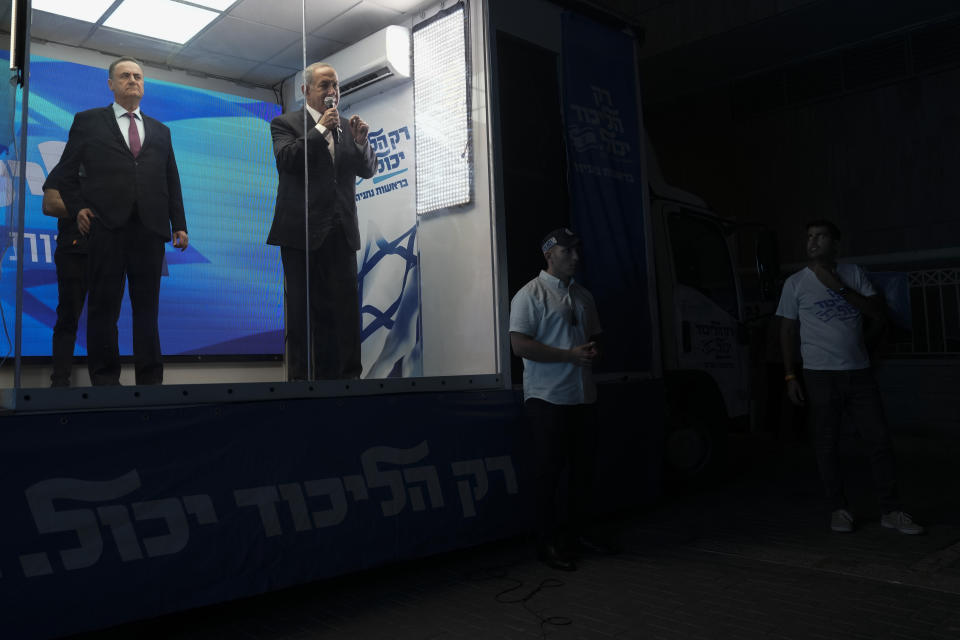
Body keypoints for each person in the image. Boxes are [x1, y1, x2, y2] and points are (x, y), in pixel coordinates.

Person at [777, 220, 923, 535]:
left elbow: (877, 314)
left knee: (879, 441)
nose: (812, 241)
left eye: (820, 236)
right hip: (819, 376)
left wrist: (837, 286)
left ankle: (891, 510)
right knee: (827, 444)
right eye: (809, 236)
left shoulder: (854, 273)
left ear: (835, 243)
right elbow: (787, 330)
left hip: (858, 374)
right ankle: (838, 509)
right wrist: (790, 375)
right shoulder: (795, 283)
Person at [56, 56, 189, 386]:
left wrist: (180, 224)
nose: (133, 80)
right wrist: (77, 208)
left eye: (138, 76)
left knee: (147, 312)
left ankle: (150, 381)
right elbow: (66, 173)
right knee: (104, 309)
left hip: (150, 230)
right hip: (105, 228)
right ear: (111, 84)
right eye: (125, 76)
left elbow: (171, 179)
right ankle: (104, 382)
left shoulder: (161, 130)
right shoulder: (88, 122)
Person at [268, 62, 377, 380]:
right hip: (299, 235)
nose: (332, 92)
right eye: (325, 85)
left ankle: (346, 381)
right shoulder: (284, 123)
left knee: (343, 312)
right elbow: (287, 160)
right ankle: (301, 384)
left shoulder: (346, 125)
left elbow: (367, 170)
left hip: (340, 233)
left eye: (336, 86)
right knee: (302, 314)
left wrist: (360, 143)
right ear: (305, 91)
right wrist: (319, 131)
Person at [509, 228, 606, 571]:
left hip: (583, 398)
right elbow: (519, 345)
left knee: (584, 472)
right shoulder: (529, 295)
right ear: (549, 255)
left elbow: (593, 337)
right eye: (567, 252)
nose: (576, 257)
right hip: (548, 401)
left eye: (577, 250)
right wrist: (568, 356)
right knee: (548, 475)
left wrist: (591, 351)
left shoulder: (583, 296)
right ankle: (546, 543)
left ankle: (578, 534)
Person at [41, 165, 88, 387]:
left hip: (108, 253)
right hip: (73, 250)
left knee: (107, 321)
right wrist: (88, 210)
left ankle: (106, 382)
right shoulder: (69, 165)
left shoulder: (114, 166)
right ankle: (59, 381)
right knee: (68, 316)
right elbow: (49, 204)